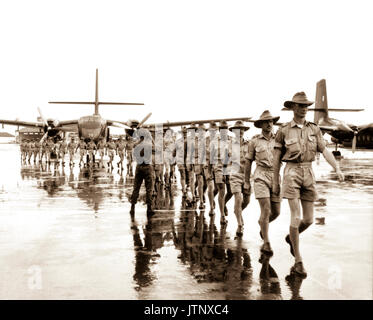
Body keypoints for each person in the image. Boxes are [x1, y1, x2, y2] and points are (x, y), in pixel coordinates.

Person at [273, 91, 344, 278]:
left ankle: (291, 238)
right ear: (293, 107)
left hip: (308, 172)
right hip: (291, 172)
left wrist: (336, 168)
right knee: (295, 218)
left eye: (306, 106)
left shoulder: (314, 129)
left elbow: (325, 150)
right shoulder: (284, 130)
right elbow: (276, 159)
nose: (304, 109)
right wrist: (275, 180)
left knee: (309, 220)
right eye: (301, 106)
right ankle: (298, 260)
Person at [245, 110, 281, 256]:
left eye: (271, 121)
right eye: (266, 122)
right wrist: (247, 182)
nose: (269, 124)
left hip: (275, 175)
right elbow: (248, 162)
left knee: (276, 212)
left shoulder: (279, 139)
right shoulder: (254, 141)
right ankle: (266, 242)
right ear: (261, 124)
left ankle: (263, 225)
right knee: (265, 209)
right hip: (260, 175)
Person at [228, 120, 251, 237]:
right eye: (237, 130)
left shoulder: (250, 143)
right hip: (235, 174)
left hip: (247, 175)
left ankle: (237, 211)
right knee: (238, 197)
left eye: (242, 129)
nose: (240, 131)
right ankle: (240, 224)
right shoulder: (229, 144)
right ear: (233, 131)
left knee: (246, 201)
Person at [129, 128, 155, 216]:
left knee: (136, 188)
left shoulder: (136, 144)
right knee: (149, 188)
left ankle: (132, 207)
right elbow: (156, 149)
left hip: (139, 166)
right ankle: (149, 208)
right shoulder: (149, 144)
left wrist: (139, 139)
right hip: (147, 166)